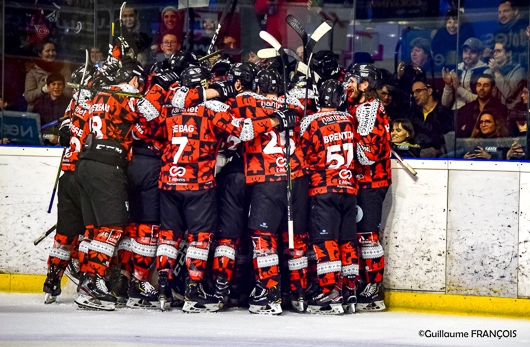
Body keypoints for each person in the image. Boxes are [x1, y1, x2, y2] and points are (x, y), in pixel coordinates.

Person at [154, 66, 290, 314]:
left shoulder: (169, 107)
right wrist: (275, 119)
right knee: (202, 237)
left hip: (170, 178)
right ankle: (195, 290)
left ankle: (165, 288)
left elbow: (150, 130)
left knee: (169, 236)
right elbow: (244, 131)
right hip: (207, 178)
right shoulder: (216, 107)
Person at [74, 57, 166, 311]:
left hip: (86, 164)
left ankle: (89, 282)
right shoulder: (126, 96)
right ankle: (93, 283)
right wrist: (158, 87)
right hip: (107, 166)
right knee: (113, 228)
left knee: (98, 228)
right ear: (135, 80)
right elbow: (151, 111)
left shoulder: (100, 95)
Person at [299, 79, 360, 315]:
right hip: (349, 189)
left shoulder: (311, 122)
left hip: (324, 190)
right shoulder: (349, 119)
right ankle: (349, 291)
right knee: (347, 243)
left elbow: (301, 156)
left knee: (327, 243)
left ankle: (329, 291)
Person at [42, 65, 95, 305]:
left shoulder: (74, 103)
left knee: (64, 234)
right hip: (88, 175)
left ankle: (52, 281)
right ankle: (87, 282)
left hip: (68, 175)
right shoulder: (99, 102)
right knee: (89, 233)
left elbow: (63, 134)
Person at [344, 63, 392, 312]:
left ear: (365, 84)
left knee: (367, 235)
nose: (347, 84)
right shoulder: (359, 107)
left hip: (371, 182)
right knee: (359, 234)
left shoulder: (367, 110)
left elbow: (366, 156)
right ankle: (365, 283)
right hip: (362, 182)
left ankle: (373, 289)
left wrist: (346, 136)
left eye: (352, 80)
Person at [403, 80, 453, 157]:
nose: (415, 95)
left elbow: (447, 142)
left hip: (437, 159)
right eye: (413, 92)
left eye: (418, 91)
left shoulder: (444, 113)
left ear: (429, 91)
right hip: (413, 157)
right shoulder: (412, 113)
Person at [441, 37, 489, 110]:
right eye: (465, 51)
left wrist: (458, 88)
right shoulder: (455, 71)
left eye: (472, 52)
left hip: (475, 111)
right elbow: (445, 104)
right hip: (455, 112)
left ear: (480, 54)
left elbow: (481, 100)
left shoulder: (485, 71)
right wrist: (448, 86)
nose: (467, 55)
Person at [24, 40, 71, 112]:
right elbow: (28, 97)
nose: (51, 53)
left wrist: (56, 89)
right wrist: (43, 90)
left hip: (61, 109)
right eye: (47, 51)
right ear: (40, 54)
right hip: (38, 110)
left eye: (53, 50)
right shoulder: (33, 71)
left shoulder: (64, 69)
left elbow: (69, 92)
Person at [483, 1, 529, 67]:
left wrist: (506, 57)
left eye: (506, 11)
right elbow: (492, 58)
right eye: (499, 12)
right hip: (499, 71)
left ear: (516, 11)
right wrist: (488, 56)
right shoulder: (498, 33)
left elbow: (526, 58)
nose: (502, 15)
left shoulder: (525, 29)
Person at [485, 41, 526, 109]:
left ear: (509, 53)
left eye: (498, 51)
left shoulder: (519, 71)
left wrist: (497, 72)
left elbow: (508, 94)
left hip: (510, 114)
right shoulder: (489, 71)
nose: (495, 54)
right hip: (492, 112)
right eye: (494, 51)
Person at [33, 72, 70, 145]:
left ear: (64, 87)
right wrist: (48, 136)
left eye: (59, 84)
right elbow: (33, 129)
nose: (56, 87)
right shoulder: (39, 103)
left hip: (63, 144)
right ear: (48, 87)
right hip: (41, 144)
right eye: (53, 84)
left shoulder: (70, 104)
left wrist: (61, 139)